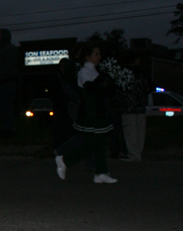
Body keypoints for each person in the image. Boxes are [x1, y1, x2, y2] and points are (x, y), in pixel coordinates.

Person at [54, 45, 118, 184]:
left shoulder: (95, 71)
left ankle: (101, 172)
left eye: (99, 54)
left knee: (99, 143)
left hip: (98, 111)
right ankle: (65, 160)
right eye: (96, 54)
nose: (99, 57)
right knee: (93, 143)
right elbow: (91, 89)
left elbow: (104, 91)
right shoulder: (84, 72)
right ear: (87, 57)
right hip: (90, 112)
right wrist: (103, 80)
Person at [116, 53, 153, 162]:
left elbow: (118, 90)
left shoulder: (123, 73)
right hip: (140, 105)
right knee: (140, 130)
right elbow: (149, 87)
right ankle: (138, 152)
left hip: (127, 106)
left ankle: (133, 154)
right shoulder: (143, 73)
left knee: (130, 130)